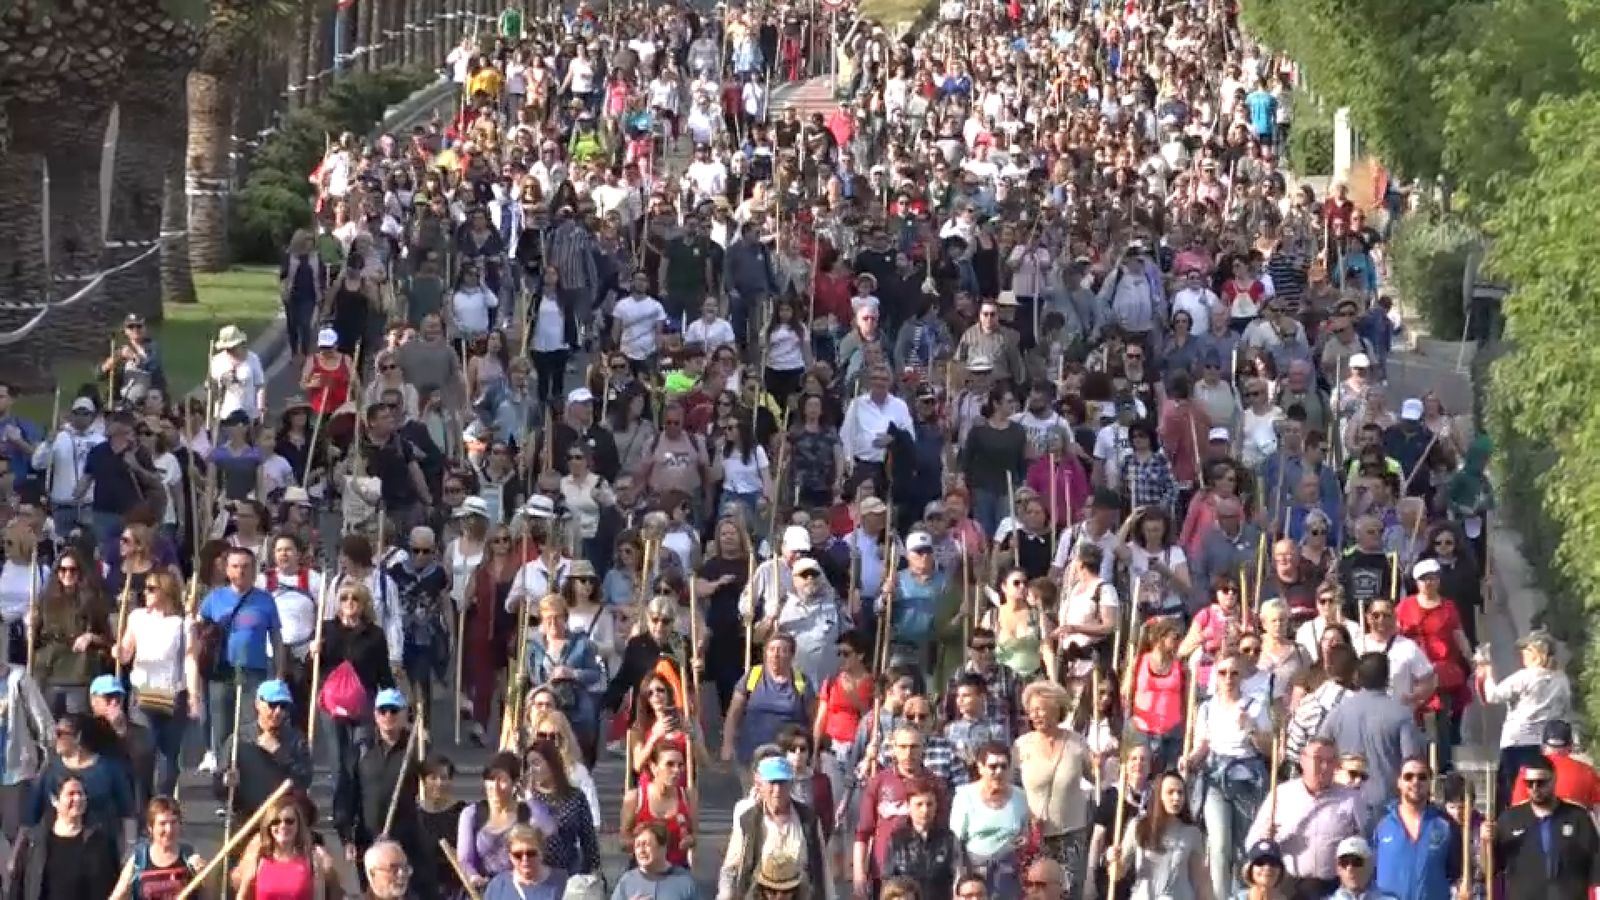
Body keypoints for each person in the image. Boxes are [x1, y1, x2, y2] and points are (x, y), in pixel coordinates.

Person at [335, 687, 434, 896]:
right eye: (383, 710)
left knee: (402, 892)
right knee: (372, 893)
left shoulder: (416, 747)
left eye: (393, 710)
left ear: (405, 714)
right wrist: (346, 836)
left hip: (405, 840)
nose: (388, 715)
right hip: (369, 839)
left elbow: (434, 784)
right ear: (375, 715)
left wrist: (425, 757)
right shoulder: (361, 749)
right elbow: (346, 793)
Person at [1244, 737, 1366, 900]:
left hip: (1331, 888)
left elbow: (1367, 844)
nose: (1324, 767)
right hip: (1287, 887)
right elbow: (1251, 844)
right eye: (1318, 760)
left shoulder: (1351, 799)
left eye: (1330, 761)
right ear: (1303, 760)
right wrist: (1264, 837)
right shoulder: (1281, 795)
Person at [197, 547, 285, 769]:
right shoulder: (213, 599)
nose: (241, 571)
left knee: (250, 727)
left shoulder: (265, 601)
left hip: (253, 671)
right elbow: (198, 635)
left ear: (254, 570)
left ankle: (247, 777)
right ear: (227, 570)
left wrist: (280, 673)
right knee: (221, 727)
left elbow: (276, 638)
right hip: (221, 671)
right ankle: (222, 780)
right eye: (235, 566)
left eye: (246, 566)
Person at [1317, 652, 1426, 812]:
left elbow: (1318, 750)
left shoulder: (1338, 712)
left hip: (1345, 800)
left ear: (1357, 677)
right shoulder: (1401, 714)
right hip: (1388, 804)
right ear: (1387, 678)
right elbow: (1412, 762)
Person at [717, 756, 832, 900]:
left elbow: (822, 868)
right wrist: (725, 896)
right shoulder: (748, 820)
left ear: (791, 784)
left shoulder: (808, 819)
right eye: (772, 783)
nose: (777, 790)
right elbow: (731, 868)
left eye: (782, 783)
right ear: (760, 784)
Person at [1483, 630, 1575, 807]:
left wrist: (1487, 673)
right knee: (1538, 789)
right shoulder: (1561, 680)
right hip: (1544, 744)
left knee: (1509, 793)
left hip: (1517, 741)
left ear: (1536, 654)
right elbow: (1565, 709)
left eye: (1526, 651)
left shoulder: (1524, 676)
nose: (1522, 655)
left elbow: (1493, 696)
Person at [1488, 755, 1600, 900]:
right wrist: (1487, 842)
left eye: (1540, 782)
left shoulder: (1578, 817)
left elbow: (1596, 863)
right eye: (1529, 783)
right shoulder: (1510, 819)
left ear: (1554, 780)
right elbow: (1489, 868)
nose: (1535, 788)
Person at [7, 775, 122, 900]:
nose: (77, 798)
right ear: (54, 800)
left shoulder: (100, 840)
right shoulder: (34, 841)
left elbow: (113, 885)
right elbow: (18, 888)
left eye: (81, 794)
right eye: (71, 794)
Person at [215, 679, 314, 823]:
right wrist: (226, 781)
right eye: (273, 705)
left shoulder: (296, 740)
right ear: (258, 704)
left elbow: (304, 779)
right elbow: (219, 787)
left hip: (282, 819)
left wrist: (278, 752)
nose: (278, 711)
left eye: (283, 706)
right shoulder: (240, 739)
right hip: (247, 818)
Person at [1106, 770, 1213, 900]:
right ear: (1158, 796)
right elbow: (1116, 874)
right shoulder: (1138, 826)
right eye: (1170, 792)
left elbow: (1201, 882)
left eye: (1180, 793)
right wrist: (1113, 859)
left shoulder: (1192, 833)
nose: (1176, 798)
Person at [1371, 757, 1460, 900]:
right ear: (1399, 782)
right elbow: (1368, 872)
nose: (1415, 782)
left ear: (1430, 783)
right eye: (1408, 777)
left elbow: (1456, 875)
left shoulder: (1446, 825)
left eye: (1422, 777)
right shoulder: (1380, 822)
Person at [950, 740, 1031, 897]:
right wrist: (959, 880)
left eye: (1003, 766)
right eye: (993, 767)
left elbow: (1025, 833)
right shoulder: (964, 796)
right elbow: (955, 843)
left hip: (1008, 873)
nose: (999, 771)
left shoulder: (1020, 796)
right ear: (980, 767)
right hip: (973, 872)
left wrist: (1023, 840)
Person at [233, 791, 343, 900]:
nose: (282, 826)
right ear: (269, 825)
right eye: (276, 821)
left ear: (298, 824)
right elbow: (240, 890)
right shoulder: (258, 855)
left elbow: (331, 892)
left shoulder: (313, 857)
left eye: (289, 821)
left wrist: (329, 871)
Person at [108, 797, 206, 900]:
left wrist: (204, 878)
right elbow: (117, 897)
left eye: (173, 822)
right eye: (162, 824)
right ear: (150, 828)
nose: (169, 829)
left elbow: (209, 895)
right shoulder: (139, 861)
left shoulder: (189, 857)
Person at [882, 776, 961, 900]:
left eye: (929, 804)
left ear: (936, 806)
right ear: (908, 806)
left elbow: (959, 881)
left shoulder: (949, 839)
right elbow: (889, 885)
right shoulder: (896, 841)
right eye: (919, 804)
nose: (925, 810)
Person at [1508, 720, 1600, 810]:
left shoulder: (1528, 771)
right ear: (1570, 747)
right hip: (1575, 823)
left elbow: (1517, 808)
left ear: (1543, 747)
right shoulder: (1587, 772)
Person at [610, 822, 699, 900]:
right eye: (637, 846)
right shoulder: (627, 881)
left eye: (646, 845)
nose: (641, 851)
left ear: (663, 847)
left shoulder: (684, 881)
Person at [483, 822, 569, 900]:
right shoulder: (498, 886)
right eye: (518, 855)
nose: (525, 859)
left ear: (541, 852)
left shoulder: (564, 883)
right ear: (510, 856)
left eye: (531, 853)